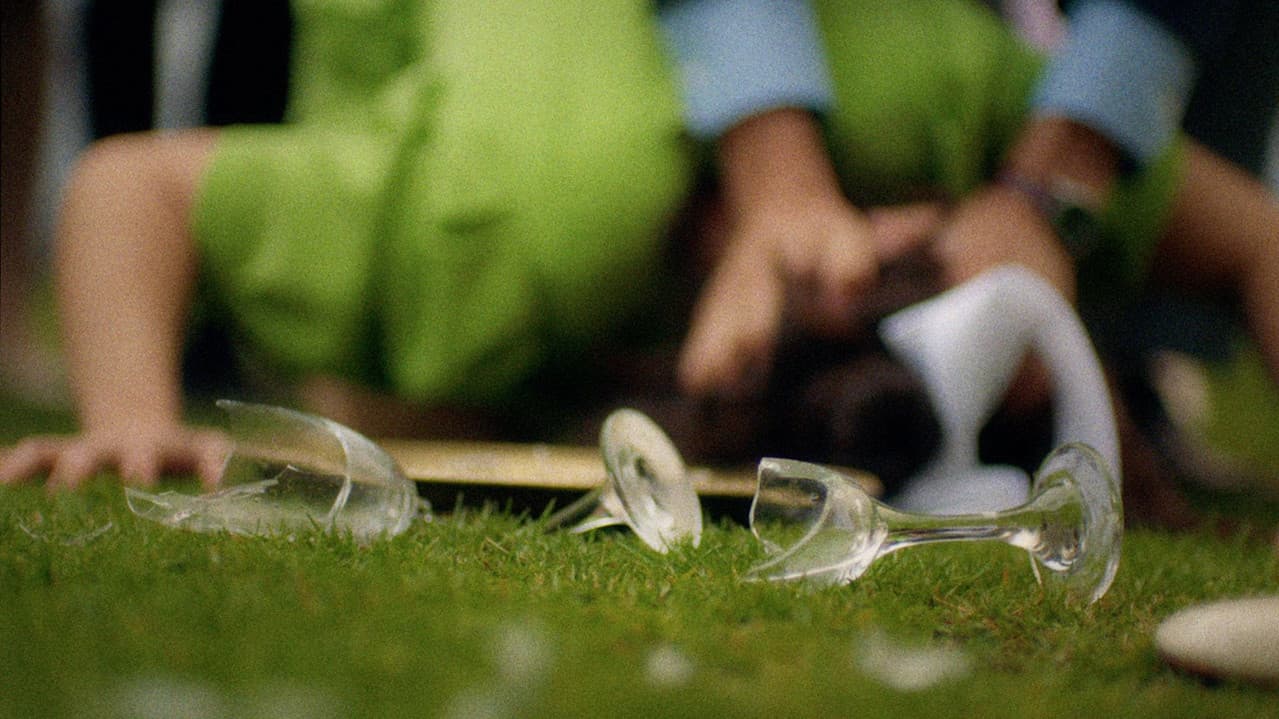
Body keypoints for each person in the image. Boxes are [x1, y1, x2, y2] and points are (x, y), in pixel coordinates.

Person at [1, 0, 1276, 492]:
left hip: (436, 94)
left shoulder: (499, 241)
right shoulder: (973, 119)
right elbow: (1255, 244)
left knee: (405, 379)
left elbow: (123, 188)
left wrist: (133, 416)